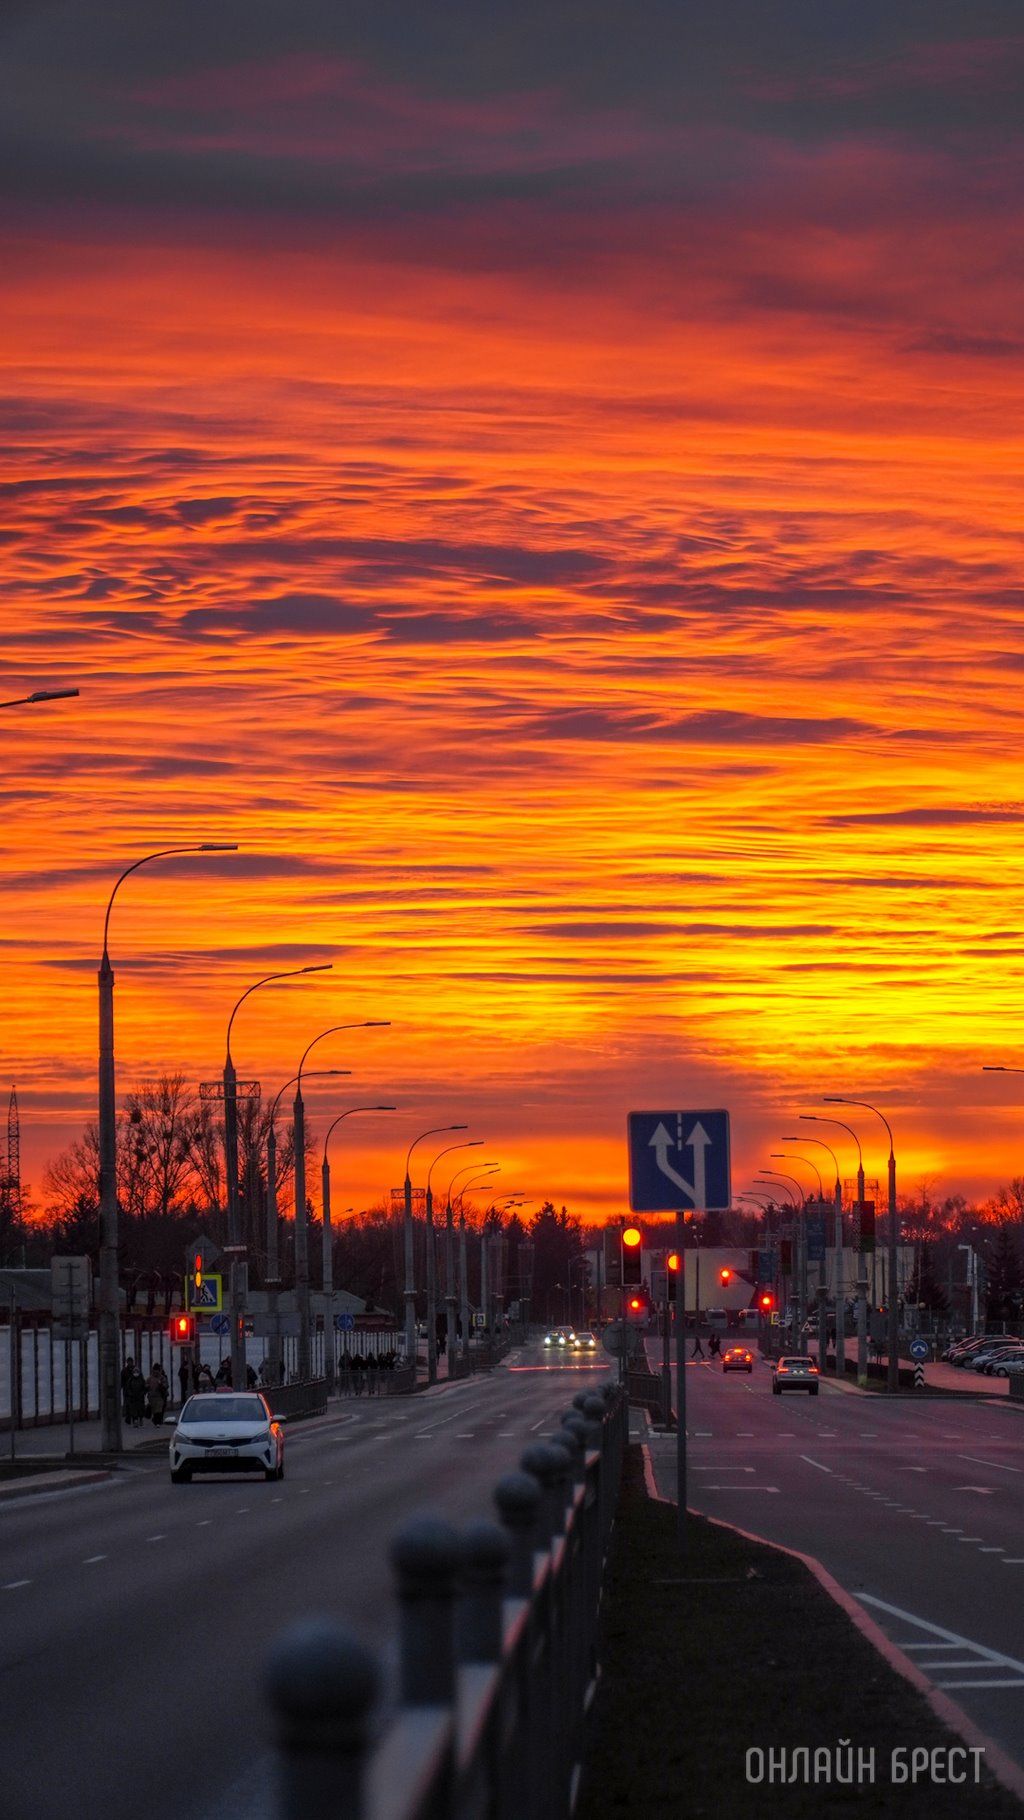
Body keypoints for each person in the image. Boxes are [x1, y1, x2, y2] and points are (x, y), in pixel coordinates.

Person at [121, 1357, 136, 1423]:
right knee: (127, 1405)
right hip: (126, 1390)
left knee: (134, 1404)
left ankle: (134, 1417)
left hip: (134, 1390)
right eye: (128, 1362)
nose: (130, 1363)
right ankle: (128, 1418)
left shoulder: (135, 1370)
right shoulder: (124, 1371)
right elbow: (121, 1380)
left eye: (131, 1362)